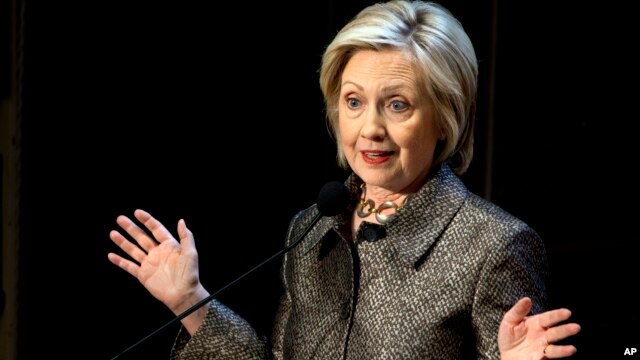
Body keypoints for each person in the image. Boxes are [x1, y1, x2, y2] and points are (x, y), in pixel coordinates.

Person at [107, 1, 580, 359]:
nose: (369, 128)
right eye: (354, 101)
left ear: (444, 117)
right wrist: (192, 300)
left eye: (398, 105)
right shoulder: (311, 228)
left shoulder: (495, 245)